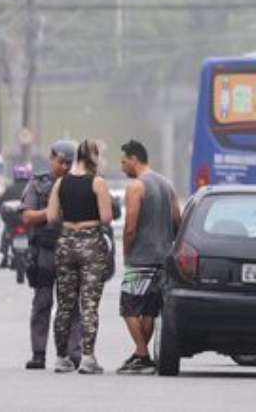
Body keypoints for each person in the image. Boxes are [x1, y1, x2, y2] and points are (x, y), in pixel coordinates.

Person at [46, 139, 114, 375]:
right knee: (89, 304)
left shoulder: (60, 183)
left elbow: (51, 217)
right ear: (93, 156)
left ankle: (61, 357)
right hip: (91, 243)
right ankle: (87, 358)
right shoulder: (98, 183)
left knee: (64, 304)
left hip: (66, 243)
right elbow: (106, 218)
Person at [116, 139, 181, 374]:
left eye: (124, 162)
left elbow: (130, 227)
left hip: (141, 258)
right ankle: (140, 354)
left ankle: (142, 355)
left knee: (129, 307)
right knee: (149, 310)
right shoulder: (167, 184)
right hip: (163, 258)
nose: (122, 166)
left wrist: (127, 252)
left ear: (134, 159)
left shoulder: (136, 186)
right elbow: (178, 220)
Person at [19, 145, 81, 370]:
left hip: (70, 250)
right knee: (42, 303)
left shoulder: (79, 184)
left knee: (71, 305)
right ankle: (38, 353)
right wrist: (52, 212)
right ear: (51, 159)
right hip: (44, 251)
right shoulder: (37, 184)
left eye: (69, 163)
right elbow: (27, 216)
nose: (64, 167)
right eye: (60, 162)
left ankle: (73, 353)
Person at [0, 164, 33, 269]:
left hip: (12, 222)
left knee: (6, 232)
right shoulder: (32, 189)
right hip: (27, 221)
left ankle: (5, 257)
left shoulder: (9, 189)